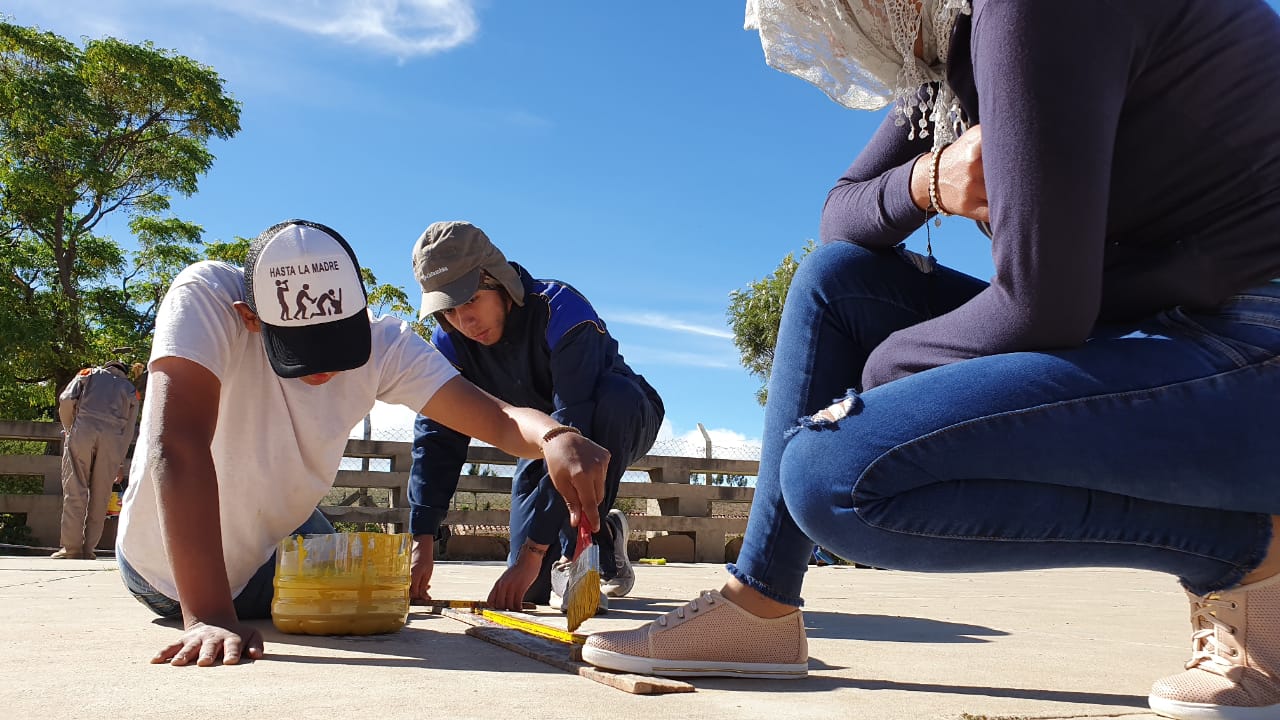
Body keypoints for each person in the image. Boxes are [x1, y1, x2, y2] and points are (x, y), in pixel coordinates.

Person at [583, 2, 1280, 718]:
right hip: (1154, 330)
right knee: (836, 283)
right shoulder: (952, 42)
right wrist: (930, 176)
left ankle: (1246, 550)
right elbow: (841, 214)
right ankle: (759, 605)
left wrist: (885, 380)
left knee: (836, 475)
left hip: (1250, 345)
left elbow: (1044, 306)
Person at [115, 219, 611, 668]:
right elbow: (176, 445)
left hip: (278, 525)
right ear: (252, 318)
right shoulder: (205, 296)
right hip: (167, 570)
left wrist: (555, 435)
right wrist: (207, 616)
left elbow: (499, 418)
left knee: (376, 579)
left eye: (340, 343)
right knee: (357, 596)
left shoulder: (385, 343)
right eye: (304, 353)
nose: (327, 368)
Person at [407, 221, 664, 612]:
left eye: (472, 300)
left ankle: (583, 548)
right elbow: (437, 438)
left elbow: (577, 429)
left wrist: (534, 551)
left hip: (613, 420)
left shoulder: (560, 307)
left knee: (615, 401)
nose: (464, 322)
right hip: (538, 444)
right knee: (525, 592)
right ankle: (604, 531)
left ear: (501, 281)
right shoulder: (449, 342)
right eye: (449, 311)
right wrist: (421, 541)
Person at [53, 361, 140, 559]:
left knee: (75, 488)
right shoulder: (131, 390)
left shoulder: (88, 374)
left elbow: (66, 399)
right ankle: (88, 549)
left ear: (107, 366)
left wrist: (69, 428)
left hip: (83, 430)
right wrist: (119, 460)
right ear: (124, 372)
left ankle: (71, 548)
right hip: (112, 440)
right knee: (101, 495)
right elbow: (128, 432)